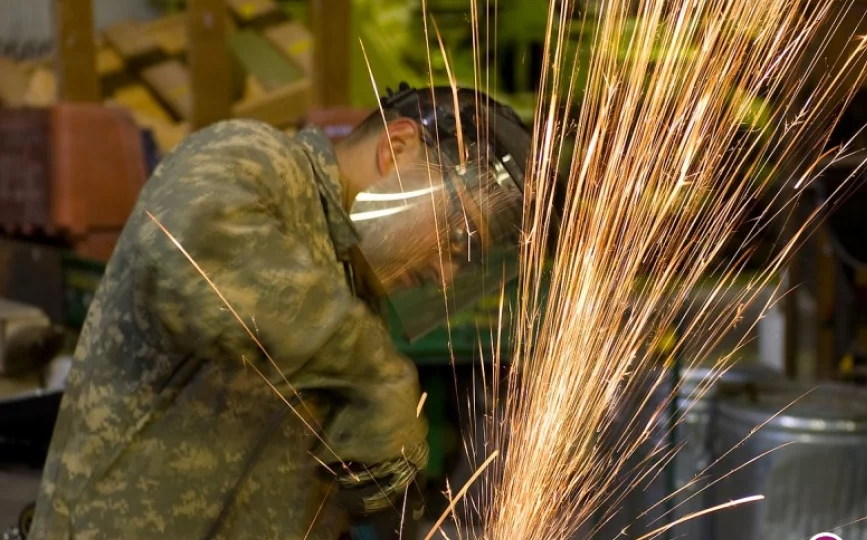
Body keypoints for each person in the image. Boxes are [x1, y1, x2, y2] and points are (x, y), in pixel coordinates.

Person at [27, 83, 534, 540]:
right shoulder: (254, 160)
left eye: (467, 265)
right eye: (456, 236)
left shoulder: (352, 297)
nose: (447, 276)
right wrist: (374, 375)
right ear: (396, 147)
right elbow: (196, 267)